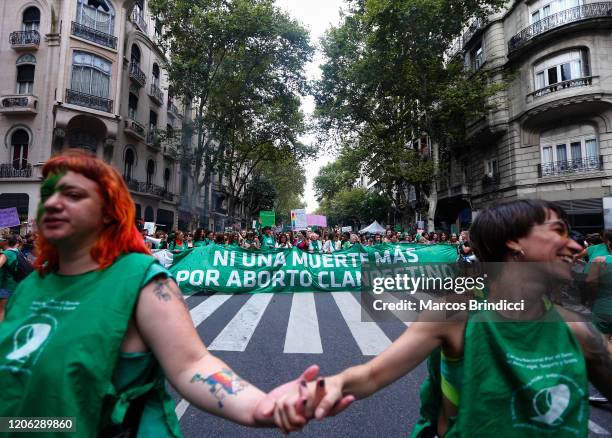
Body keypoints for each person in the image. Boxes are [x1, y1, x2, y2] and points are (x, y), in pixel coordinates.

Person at [0, 150, 336, 436]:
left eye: (73, 195)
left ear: (108, 211)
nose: (55, 203)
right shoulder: (31, 286)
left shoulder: (142, 280)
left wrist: (261, 406)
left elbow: (193, 364)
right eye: (48, 194)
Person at [274, 199, 612, 437]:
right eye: (558, 231)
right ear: (514, 242)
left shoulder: (578, 330)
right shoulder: (454, 315)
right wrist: (330, 386)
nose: (576, 246)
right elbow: (372, 375)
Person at [0, 234, 23, 322]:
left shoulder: (7, 253)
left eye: (1, 240)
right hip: (16, 285)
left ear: (5, 242)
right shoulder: (17, 252)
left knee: (2, 311)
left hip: (6, 286)